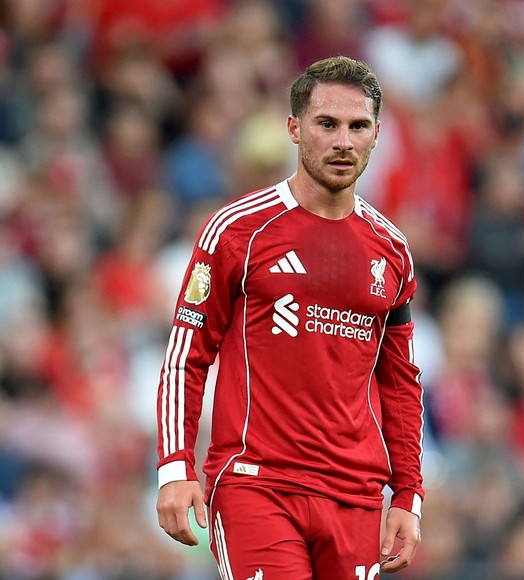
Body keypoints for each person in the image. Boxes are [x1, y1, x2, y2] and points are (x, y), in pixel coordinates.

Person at [154, 56, 424, 579]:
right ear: (295, 130)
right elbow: (186, 356)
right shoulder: (238, 231)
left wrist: (408, 493)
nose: (343, 141)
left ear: (375, 136)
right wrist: (174, 465)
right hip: (258, 484)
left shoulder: (392, 251)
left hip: (357, 498)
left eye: (358, 126)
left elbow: (401, 383)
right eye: (327, 124)